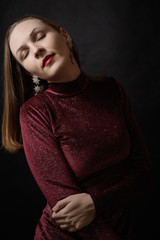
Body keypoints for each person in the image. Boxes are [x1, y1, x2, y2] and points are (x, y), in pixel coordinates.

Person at [1, 15, 152, 239]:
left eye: (40, 36)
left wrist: (97, 203)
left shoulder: (112, 90)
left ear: (65, 35)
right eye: (24, 53)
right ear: (29, 73)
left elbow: (143, 170)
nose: (37, 50)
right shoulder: (34, 112)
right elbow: (68, 212)